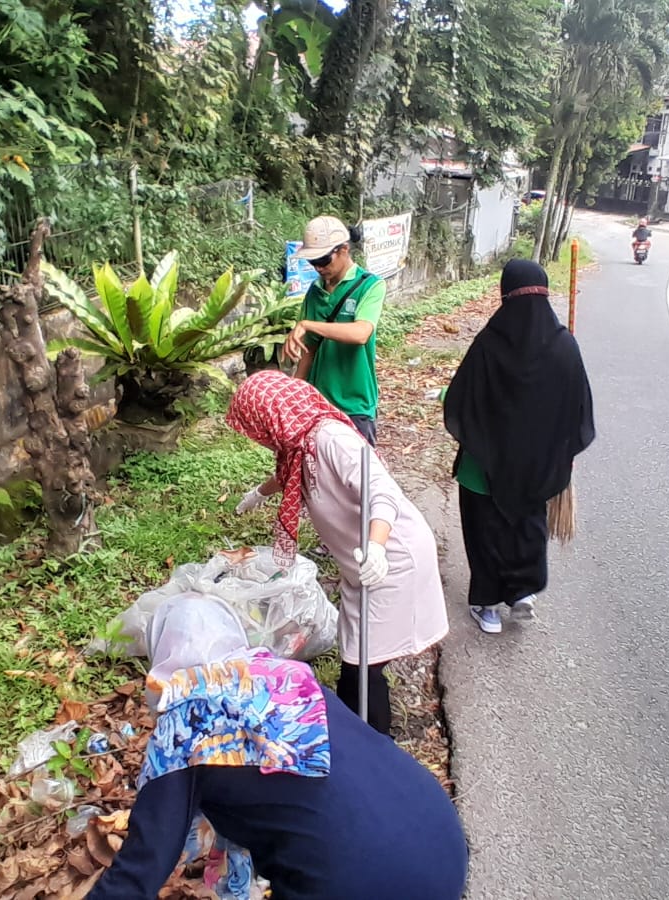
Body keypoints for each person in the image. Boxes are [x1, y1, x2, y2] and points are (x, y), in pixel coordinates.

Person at [88, 597, 469, 900]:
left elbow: (139, 873)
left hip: (358, 882)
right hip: (443, 841)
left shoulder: (183, 730)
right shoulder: (291, 678)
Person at [228, 370, 447, 734]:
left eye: (257, 428)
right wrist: (258, 494)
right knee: (357, 654)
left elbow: (382, 492)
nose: (260, 438)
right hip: (360, 562)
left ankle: (373, 748)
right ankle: (357, 736)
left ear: (271, 418)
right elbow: (286, 475)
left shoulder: (332, 440)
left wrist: (376, 548)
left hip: (391, 557)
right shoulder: (298, 444)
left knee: (362, 667)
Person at [443, 260, 596, 635]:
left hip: (484, 466)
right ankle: (523, 593)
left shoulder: (488, 343)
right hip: (538, 467)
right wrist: (558, 456)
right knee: (527, 524)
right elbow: (578, 411)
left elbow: (458, 401)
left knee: (485, 529)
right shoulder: (565, 345)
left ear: (504, 293)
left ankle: (488, 605)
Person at [280, 216, 385, 446]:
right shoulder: (315, 291)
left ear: (344, 250)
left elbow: (360, 334)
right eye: (313, 261)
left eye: (324, 260)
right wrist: (296, 392)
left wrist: (307, 324)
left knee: (360, 478)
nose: (318, 267)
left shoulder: (370, 285)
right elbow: (310, 348)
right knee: (317, 476)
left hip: (355, 404)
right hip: (318, 403)